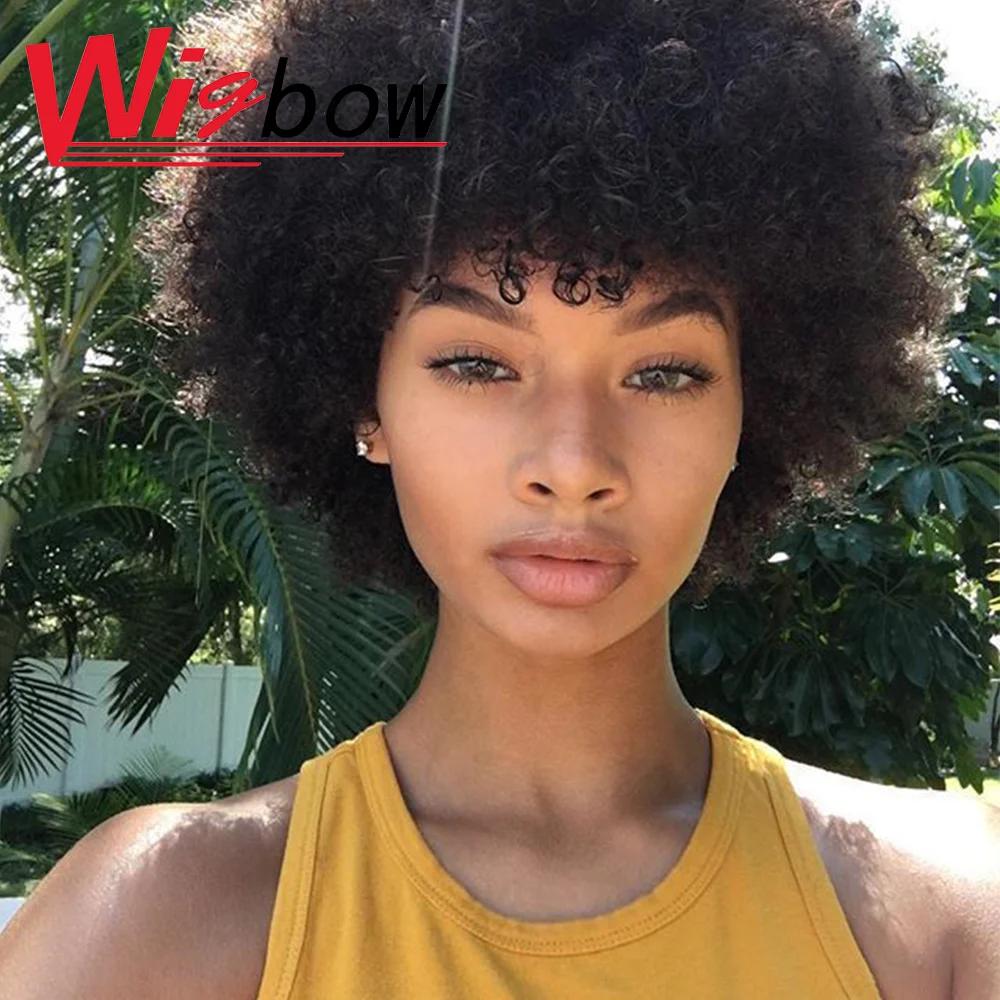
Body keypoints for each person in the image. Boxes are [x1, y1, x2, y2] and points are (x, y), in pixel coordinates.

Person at [1, 0, 998, 997]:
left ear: (758, 406)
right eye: (476, 363)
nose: (573, 462)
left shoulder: (946, 919)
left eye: (664, 373)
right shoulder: (147, 931)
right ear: (364, 402)